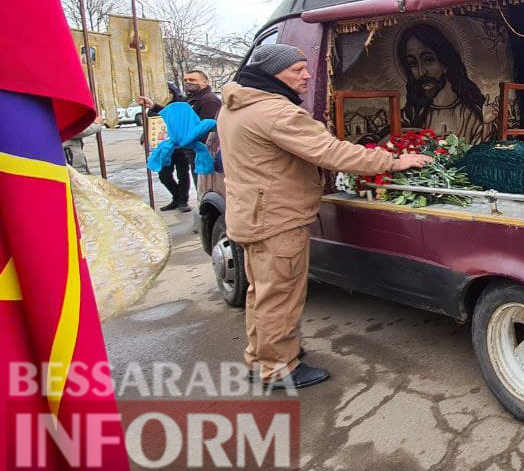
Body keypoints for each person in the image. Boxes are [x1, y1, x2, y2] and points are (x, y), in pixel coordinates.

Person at [219, 44, 429, 389]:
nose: (306, 75)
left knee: (263, 293)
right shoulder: (275, 112)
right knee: (282, 298)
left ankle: (262, 358)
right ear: (273, 73)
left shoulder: (235, 106)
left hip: (252, 214)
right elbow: (331, 152)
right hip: (277, 219)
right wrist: (394, 162)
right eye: (297, 69)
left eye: (305, 67)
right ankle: (278, 369)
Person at [396, 22, 492, 145]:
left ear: (445, 63)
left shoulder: (470, 115)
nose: (421, 72)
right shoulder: (409, 116)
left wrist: (488, 125)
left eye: (428, 60)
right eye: (412, 63)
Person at [140, 72, 222, 211]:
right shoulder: (192, 100)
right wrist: (154, 106)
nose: (188, 82)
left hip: (202, 152)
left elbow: (206, 130)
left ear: (204, 82)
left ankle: (206, 215)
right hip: (192, 149)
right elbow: (178, 118)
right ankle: (201, 212)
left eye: (193, 80)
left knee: (205, 186)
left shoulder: (208, 100)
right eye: (186, 80)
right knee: (200, 185)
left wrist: (185, 140)